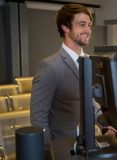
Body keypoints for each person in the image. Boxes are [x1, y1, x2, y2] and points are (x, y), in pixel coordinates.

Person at [30, 3, 93, 143]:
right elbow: (38, 118)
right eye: (82, 24)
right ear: (65, 27)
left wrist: (105, 125)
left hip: (89, 144)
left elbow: (93, 104)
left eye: (89, 25)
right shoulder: (48, 67)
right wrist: (49, 154)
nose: (88, 30)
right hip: (63, 149)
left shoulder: (90, 62)